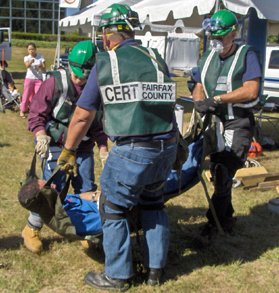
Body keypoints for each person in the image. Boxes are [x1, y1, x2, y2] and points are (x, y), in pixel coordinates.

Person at [57, 3, 178, 291]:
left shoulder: (107, 62)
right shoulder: (156, 58)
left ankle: (118, 276)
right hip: (166, 146)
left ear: (108, 35)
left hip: (133, 150)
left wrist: (69, 150)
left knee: (113, 209)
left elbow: (83, 114)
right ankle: (155, 271)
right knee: (153, 205)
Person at [22, 40, 109, 254]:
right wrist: (40, 135)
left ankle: (85, 229)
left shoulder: (99, 87)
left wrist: (104, 148)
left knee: (86, 189)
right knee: (52, 190)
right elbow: (36, 114)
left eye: (84, 76)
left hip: (85, 148)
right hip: (56, 146)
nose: (78, 79)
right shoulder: (54, 83)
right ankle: (31, 228)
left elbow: (98, 123)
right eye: (76, 73)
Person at [192, 10, 262, 237]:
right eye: (212, 37)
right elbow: (199, 85)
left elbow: (251, 89)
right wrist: (199, 102)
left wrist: (219, 99)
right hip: (215, 122)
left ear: (233, 33)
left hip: (237, 122)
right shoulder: (207, 57)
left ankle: (214, 224)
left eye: (220, 38)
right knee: (218, 170)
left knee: (224, 170)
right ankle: (227, 216)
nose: (215, 42)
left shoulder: (246, 55)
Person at [20, 42, 46, 118]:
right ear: (27, 50)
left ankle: (37, 111)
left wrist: (41, 66)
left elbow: (44, 68)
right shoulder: (26, 57)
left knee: (39, 96)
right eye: (29, 49)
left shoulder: (40, 56)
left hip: (38, 79)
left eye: (32, 49)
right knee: (26, 95)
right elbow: (27, 66)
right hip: (29, 79)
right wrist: (31, 61)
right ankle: (22, 110)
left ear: (35, 49)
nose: (31, 51)